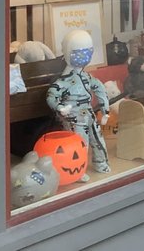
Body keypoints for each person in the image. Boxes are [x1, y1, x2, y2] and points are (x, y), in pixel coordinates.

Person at [45, 29, 111, 179]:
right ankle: (79, 171)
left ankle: (101, 163)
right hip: (74, 117)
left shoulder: (87, 77)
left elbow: (100, 88)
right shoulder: (63, 81)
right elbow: (51, 96)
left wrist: (105, 110)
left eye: (87, 52)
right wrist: (60, 108)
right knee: (80, 144)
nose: (83, 56)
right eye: (78, 53)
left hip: (89, 114)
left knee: (98, 140)